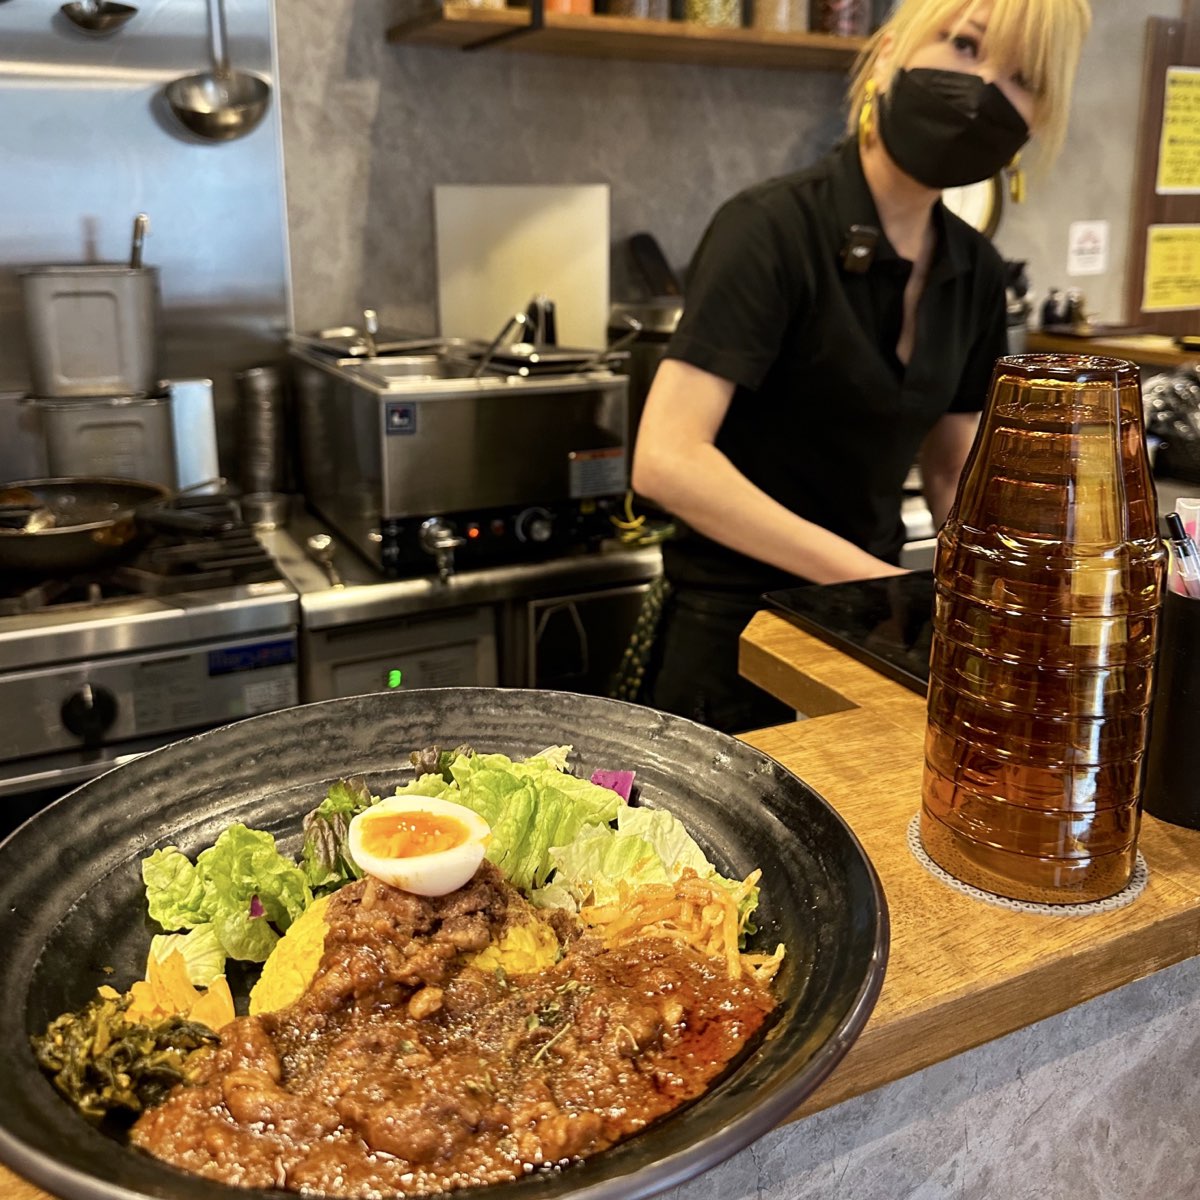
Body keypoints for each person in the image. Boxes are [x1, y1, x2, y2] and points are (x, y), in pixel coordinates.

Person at [629, 0, 1091, 735]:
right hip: (734, 633)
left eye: (1022, 76)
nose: (986, 88)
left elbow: (952, 469)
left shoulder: (976, 270)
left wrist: (1010, 590)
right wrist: (879, 582)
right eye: (966, 47)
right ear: (885, 59)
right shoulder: (771, 229)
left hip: (868, 634)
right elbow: (666, 460)